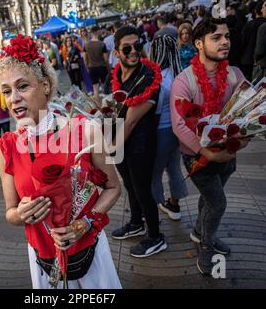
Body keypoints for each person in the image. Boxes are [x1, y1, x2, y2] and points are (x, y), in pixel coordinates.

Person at [0, 34, 122, 289]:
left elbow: (113, 187)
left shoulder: (85, 130)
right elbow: (10, 212)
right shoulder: (6, 147)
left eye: (22, 87)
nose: (14, 98)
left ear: (44, 85)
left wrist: (86, 223)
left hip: (89, 254)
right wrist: (20, 214)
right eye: (6, 91)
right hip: (43, 261)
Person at [170, 18, 249, 276]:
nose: (225, 41)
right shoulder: (184, 81)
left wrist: (245, 137)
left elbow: (248, 111)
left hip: (228, 152)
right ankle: (206, 245)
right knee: (218, 203)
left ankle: (198, 231)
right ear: (199, 44)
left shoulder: (235, 74)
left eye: (226, 36)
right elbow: (179, 125)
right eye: (216, 37)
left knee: (210, 198)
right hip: (197, 156)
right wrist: (206, 152)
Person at [104, 26, 167, 258]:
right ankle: (136, 222)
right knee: (130, 186)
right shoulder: (116, 74)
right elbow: (112, 107)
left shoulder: (148, 77)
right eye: (127, 48)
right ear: (117, 52)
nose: (133, 51)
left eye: (137, 46)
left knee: (142, 190)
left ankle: (155, 236)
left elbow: (130, 122)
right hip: (119, 140)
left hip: (139, 144)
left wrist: (110, 148)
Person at [149, 35, 188, 221]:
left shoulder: (158, 78)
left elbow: (154, 109)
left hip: (161, 130)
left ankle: (155, 205)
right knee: (174, 168)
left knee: (154, 172)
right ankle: (175, 203)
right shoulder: (181, 74)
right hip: (177, 129)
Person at [240, 0, 266, 81]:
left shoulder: (249, 24)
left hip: (247, 59)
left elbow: (243, 41)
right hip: (262, 61)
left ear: (255, 11)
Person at [83, 26, 109, 98]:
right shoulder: (102, 44)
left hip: (92, 68)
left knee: (95, 88)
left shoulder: (86, 45)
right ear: (98, 32)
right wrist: (107, 67)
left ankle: (97, 105)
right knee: (105, 87)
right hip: (102, 67)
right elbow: (106, 59)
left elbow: (85, 58)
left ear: (91, 33)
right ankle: (107, 105)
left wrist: (87, 67)